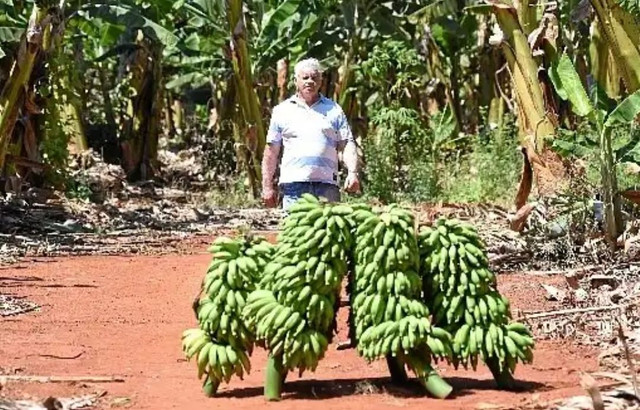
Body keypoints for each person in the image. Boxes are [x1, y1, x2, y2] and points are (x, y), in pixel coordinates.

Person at [261, 58, 360, 210]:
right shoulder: (282, 111)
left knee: (328, 231)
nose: (310, 81)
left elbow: (346, 144)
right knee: (294, 232)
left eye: (314, 78)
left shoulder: (334, 110)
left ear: (320, 81)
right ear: (296, 80)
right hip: (294, 187)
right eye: (305, 77)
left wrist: (352, 173)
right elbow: (271, 151)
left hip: (327, 186)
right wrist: (267, 186)